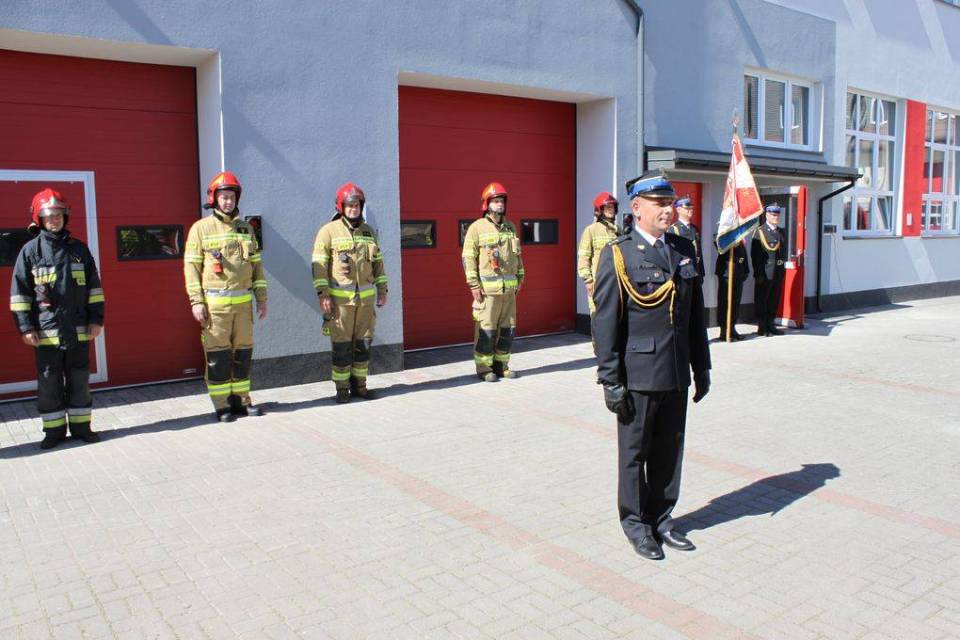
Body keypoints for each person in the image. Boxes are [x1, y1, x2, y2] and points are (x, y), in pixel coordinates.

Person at [591, 170, 711, 561]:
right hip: (638, 375)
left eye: (670, 203)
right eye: (659, 203)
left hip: (675, 371)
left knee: (669, 453)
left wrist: (702, 366)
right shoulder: (619, 254)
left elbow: (694, 316)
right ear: (637, 207)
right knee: (634, 454)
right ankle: (636, 525)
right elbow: (605, 323)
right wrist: (610, 380)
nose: (668, 210)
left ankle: (662, 519)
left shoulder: (683, 248)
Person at [10, 189, 104, 449]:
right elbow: (20, 294)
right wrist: (25, 327)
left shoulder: (79, 250)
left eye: (58, 215)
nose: (54, 220)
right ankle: (53, 431)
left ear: (65, 217)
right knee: (49, 382)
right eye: (49, 216)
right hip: (46, 334)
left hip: (78, 331)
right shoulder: (30, 252)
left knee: (79, 380)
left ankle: (82, 427)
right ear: (39, 219)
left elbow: (94, 289)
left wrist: (96, 320)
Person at [183, 171, 268, 422]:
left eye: (231, 197)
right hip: (215, 307)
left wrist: (262, 298)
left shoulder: (246, 229)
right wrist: (196, 302)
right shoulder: (201, 229)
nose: (228, 202)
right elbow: (191, 268)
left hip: (243, 306)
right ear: (214, 199)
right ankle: (222, 406)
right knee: (218, 357)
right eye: (224, 197)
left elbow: (256, 267)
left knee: (242, 354)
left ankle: (242, 401)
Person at [312, 182, 388, 403]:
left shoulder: (368, 232)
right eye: (350, 205)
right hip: (340, 304)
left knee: (363, 344)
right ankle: (342, 389)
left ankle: (360, 385)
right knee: (342, 347)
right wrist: (323, 294)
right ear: (341, 206)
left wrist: (382, 289)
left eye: (357, 205)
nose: (354, 209)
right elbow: (319, 265)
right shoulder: (328, 231)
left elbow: (378, 264)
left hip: (365, 303)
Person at [461, 182, 524, 382]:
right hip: (487, 292)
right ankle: (484, 368)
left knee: (507, 330)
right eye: (495, 201)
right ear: (487, 204)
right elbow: (468, 257)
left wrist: (520, 277)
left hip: (509, 292)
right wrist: (473, 284)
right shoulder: (476, 228)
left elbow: (517, 256)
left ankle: (501, 365)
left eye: (501, 201)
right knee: (486, 330)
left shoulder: (510, 227)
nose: (499, 204)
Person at [577, 192, 621, 314]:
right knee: (598, 314)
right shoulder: (591, 230)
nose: (611, 210)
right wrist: (588, 281)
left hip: (616, 281)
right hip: (599, 282)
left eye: (612, 207)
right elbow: (583, 257)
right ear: (599, 210)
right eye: (607, 207)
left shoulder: (618, 230)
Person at [751, 204, 786, 336]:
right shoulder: (760, 232)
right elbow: (755, 256)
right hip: (765, 273)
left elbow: (782, 253)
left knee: (774, 300)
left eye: (777, 215)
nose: (776, 217)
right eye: (773, 215)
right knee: (762, 299)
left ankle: (771, 324)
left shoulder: (781, 232)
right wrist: (758, 273)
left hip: (777, 272)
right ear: (767, 215)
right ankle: (762, 327)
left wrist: (782, 271)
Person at [714, 236, 749, 341]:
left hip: (738, 275)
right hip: (726, 275)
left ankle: (732, 328)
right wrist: (730, 239)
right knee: (724, 303)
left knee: (735, 303)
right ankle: (724, 330)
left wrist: (746, 271)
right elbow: (718, 246)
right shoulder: (723, 236)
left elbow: (744, 256)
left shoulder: (739, 239)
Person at [667, 196, 704, 279]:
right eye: (687, 208)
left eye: (691, 208)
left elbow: (699, 252)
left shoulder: (695, 229)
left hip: (696, 271)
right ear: (678, 209)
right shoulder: (673, 229)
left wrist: (701, 271)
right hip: (683, 272)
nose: (690, 210)